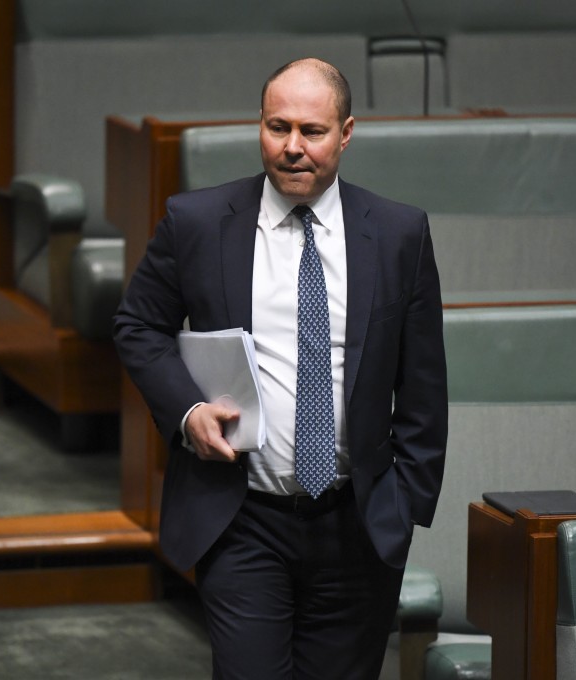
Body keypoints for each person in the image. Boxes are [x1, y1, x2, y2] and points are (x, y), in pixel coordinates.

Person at [113, 57, 447, 679]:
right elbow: (138, 325)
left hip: (357, 523)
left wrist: (405, 503)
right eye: (277, 127)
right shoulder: (199, 222)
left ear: (346, 133)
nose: (292, 147)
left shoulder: (400, 233)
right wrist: (187, 412)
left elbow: (424, 384)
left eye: (312, 132)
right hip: (242, 515)